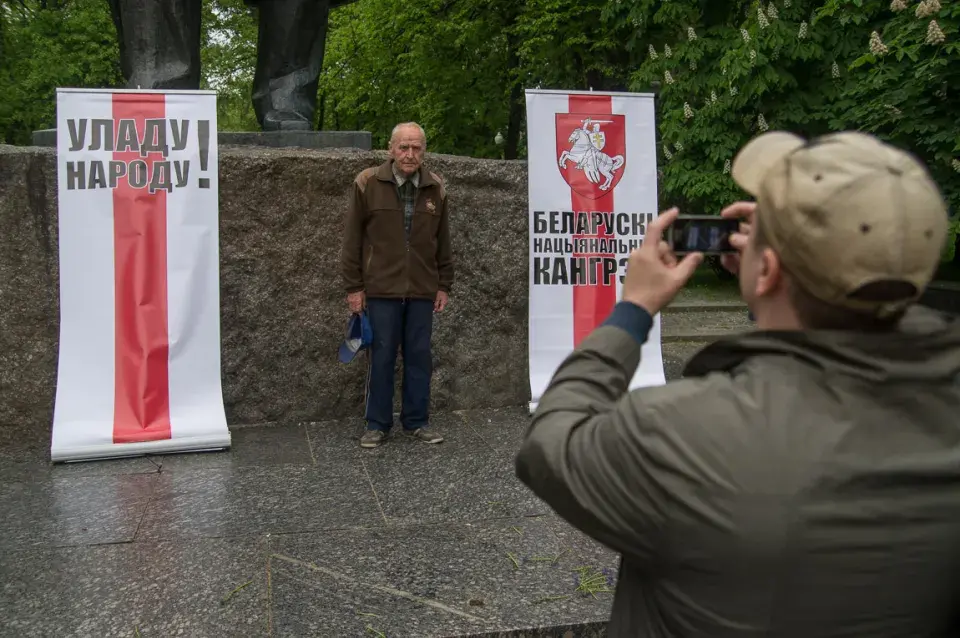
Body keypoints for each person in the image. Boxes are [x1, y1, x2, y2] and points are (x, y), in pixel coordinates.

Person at [516, 130, 960, 637]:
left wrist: (632, 311)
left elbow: (550, 444)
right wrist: (771, 286)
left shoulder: (682, 431)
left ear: (767, 269)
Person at [341, 122, 454, 448]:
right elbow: (352, 240)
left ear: (424, 151)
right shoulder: (368, 183)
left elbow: (443, 241)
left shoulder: (436, 188)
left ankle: (417, 422)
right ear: (391, 149)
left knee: (420, 357)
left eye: (416, 148)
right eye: (403, 147)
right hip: (380, 289)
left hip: (422, 289)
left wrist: (444, 284)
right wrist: (354, 287)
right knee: (382, 356)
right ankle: (377, 424)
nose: (410, 154)